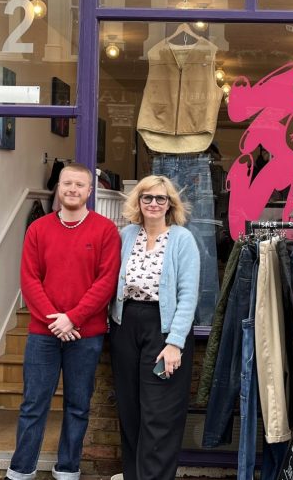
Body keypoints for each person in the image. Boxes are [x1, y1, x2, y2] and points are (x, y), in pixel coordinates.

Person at [6, 162, 121, 480]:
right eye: (67, 183)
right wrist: (55, 320)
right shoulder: (38, 229)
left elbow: (106, 281)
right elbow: (30, 280)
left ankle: (68, 469)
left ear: (90, 191)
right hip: (43, 334)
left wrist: (73, 318)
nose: (72, 189)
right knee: (34, 404)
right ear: (58, 186)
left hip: (87, 334)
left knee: (77, 405)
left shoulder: (105, 230)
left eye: (79, 185)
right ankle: (21, 469)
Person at [109, 175, 200, 480]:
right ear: (138, 201)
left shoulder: (182, 239)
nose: (153, 203)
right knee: (130, 410)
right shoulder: (126, 235)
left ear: (170, 204)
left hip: (163, 331)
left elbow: (188, 295)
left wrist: (175, 342)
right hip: (125, 327)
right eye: (147, 197)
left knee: (159, 414)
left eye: (161, 198)